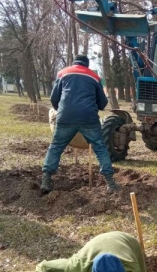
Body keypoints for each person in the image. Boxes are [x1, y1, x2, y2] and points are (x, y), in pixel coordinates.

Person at [40, 54, 118, 194]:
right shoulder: (94, 77)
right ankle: (110, 183)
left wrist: (63, 110)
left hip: (65, 116)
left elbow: (54, 98)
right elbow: (102, 103)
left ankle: (46, 179)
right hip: (88, 118)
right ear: (86, 65)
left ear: (74, 62)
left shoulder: (63, 73)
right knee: (100, 148)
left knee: (56, 146)